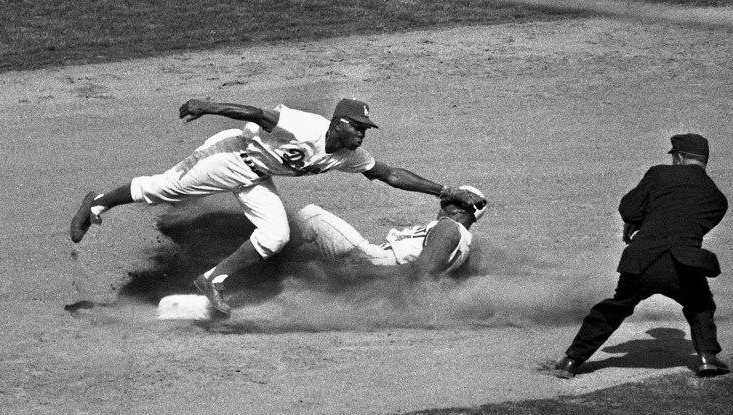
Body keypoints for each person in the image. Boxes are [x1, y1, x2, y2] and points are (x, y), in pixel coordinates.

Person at [69, 98, 486, 319]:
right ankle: (98, 204)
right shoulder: (306, 126)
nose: (362, 134)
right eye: (357, 127)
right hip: (231, 156)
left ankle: (212, 280)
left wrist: (443, 188)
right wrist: (208, 105)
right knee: (165, 189)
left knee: (277, 233)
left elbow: (391, 175)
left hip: (256, 178)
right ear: (338, 123)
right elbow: (256, 114)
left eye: (365, 129)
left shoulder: (348, 157)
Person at [554, 133, 730, 378]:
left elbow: (629, 207)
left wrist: (636, 222)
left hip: (642, 259)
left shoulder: (659, 174)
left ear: (678, 157)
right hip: (684, 265)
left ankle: (571, 360)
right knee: (700, 305)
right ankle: (707, 357)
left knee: (615, 309)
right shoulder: (717, 197)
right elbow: (695, 222)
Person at [294, 185, 486, 276]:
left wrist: (367, 271)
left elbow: (423, 270)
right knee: (308, 260)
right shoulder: (465, 246)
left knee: (311, 216)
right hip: (382, 268)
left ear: (461, 208)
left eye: (447, 202)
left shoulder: (448, 227)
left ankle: (267, 259)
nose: (442, 206)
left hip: (373, 261)